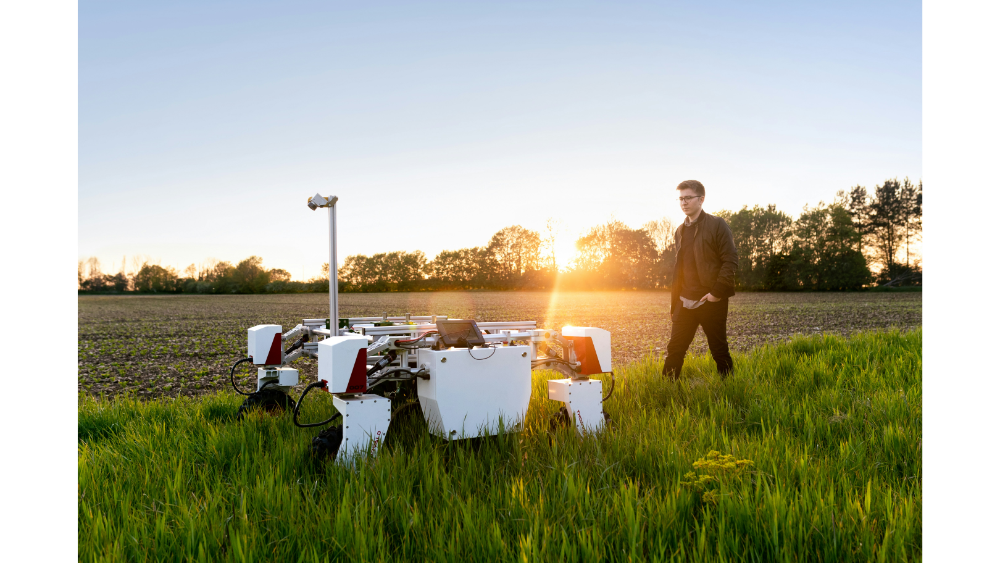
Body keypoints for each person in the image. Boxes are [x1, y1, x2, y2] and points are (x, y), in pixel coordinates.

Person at [662, 180, 738, 379]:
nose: (683, 203)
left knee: (719, 351)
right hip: (684, 302)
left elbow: (730, 260)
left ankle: (731, 389)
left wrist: (716, 293)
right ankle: (666, 392)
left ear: (701, 199)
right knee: (675, 350)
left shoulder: (717, 224)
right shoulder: (680, 230)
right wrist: (675, 304)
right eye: (680, 198)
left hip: (710, 300)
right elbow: (680, 269)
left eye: (688, 198)